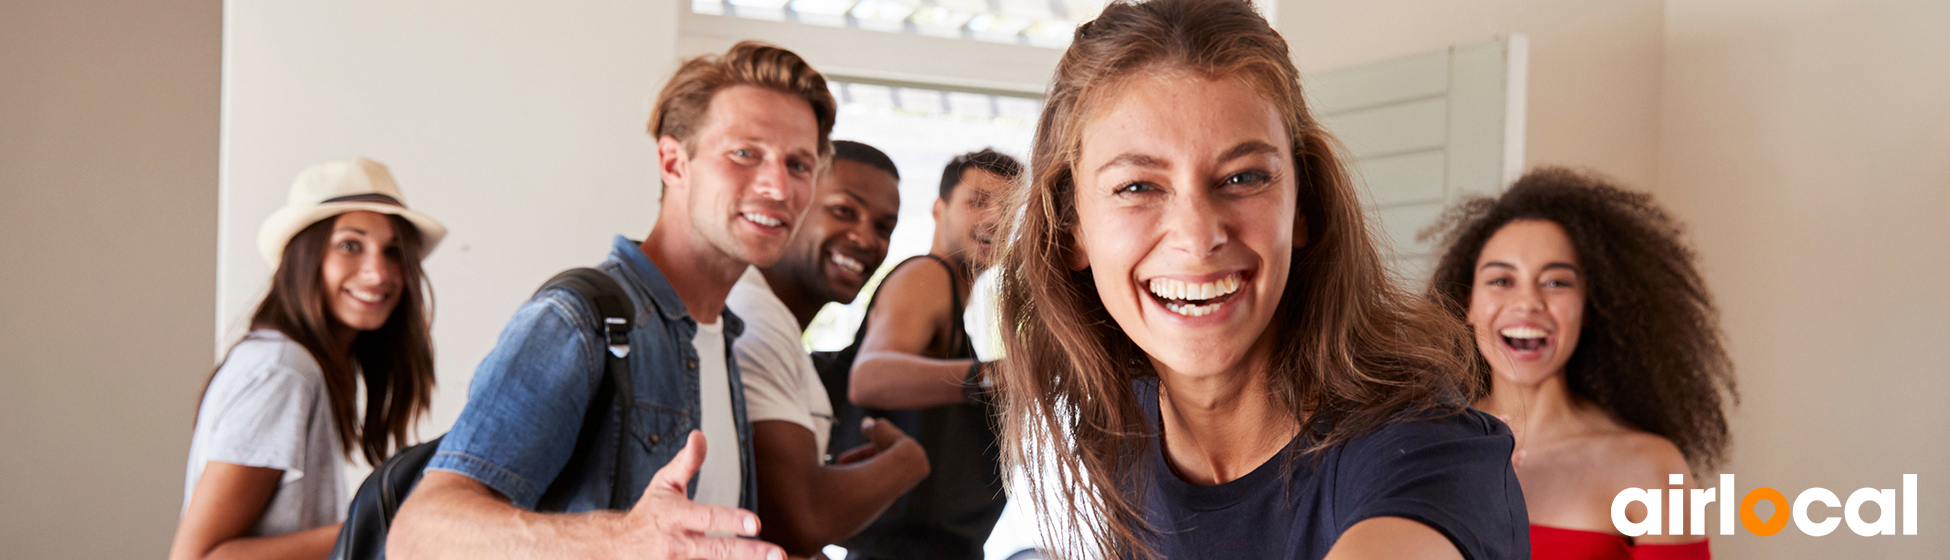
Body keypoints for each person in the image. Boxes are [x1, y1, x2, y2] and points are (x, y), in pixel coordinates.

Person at [990, 0, 1529, 559]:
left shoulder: (1428, 449)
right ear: (1072, 227)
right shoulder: (1096, 432)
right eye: (1137, 187)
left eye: (1243, 177)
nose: (1198, 238)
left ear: (1303, 207)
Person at [387, 41, 834, 560]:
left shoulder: (721, 337)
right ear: (673, 161)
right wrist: (622, 539)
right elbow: (421, 534)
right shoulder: (579, 320)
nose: (778, 186)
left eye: (799, 165)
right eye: (744, 153)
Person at [1424, 167, 1736, 559]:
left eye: (1556, 282)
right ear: (1466, 302)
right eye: (1501, 280)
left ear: (1588, 307)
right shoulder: (1427, 445)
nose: (1528, 303)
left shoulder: (1651, 468)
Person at [171, 157, 443, 560]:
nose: (378, 274)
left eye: (393, 252)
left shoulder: (308, 368)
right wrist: (382, 523)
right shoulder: (282, 371)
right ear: (304, 256)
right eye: (350, 245)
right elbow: (198, 557)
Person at [726, 140, 929, 556]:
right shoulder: (753, 319)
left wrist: (834, 484)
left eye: (883, 227)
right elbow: (799, 523)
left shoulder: (779, 327)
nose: (865, 238)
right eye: (843, 211)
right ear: (792, 208)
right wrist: (906, 462)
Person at [830, 147, 1020, 559]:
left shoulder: (956, 310)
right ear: (939, 208)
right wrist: (996, 375)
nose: (993, 219)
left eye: (1008, 209)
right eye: (978, 201)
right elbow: (870, 378)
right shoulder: (926, 276)